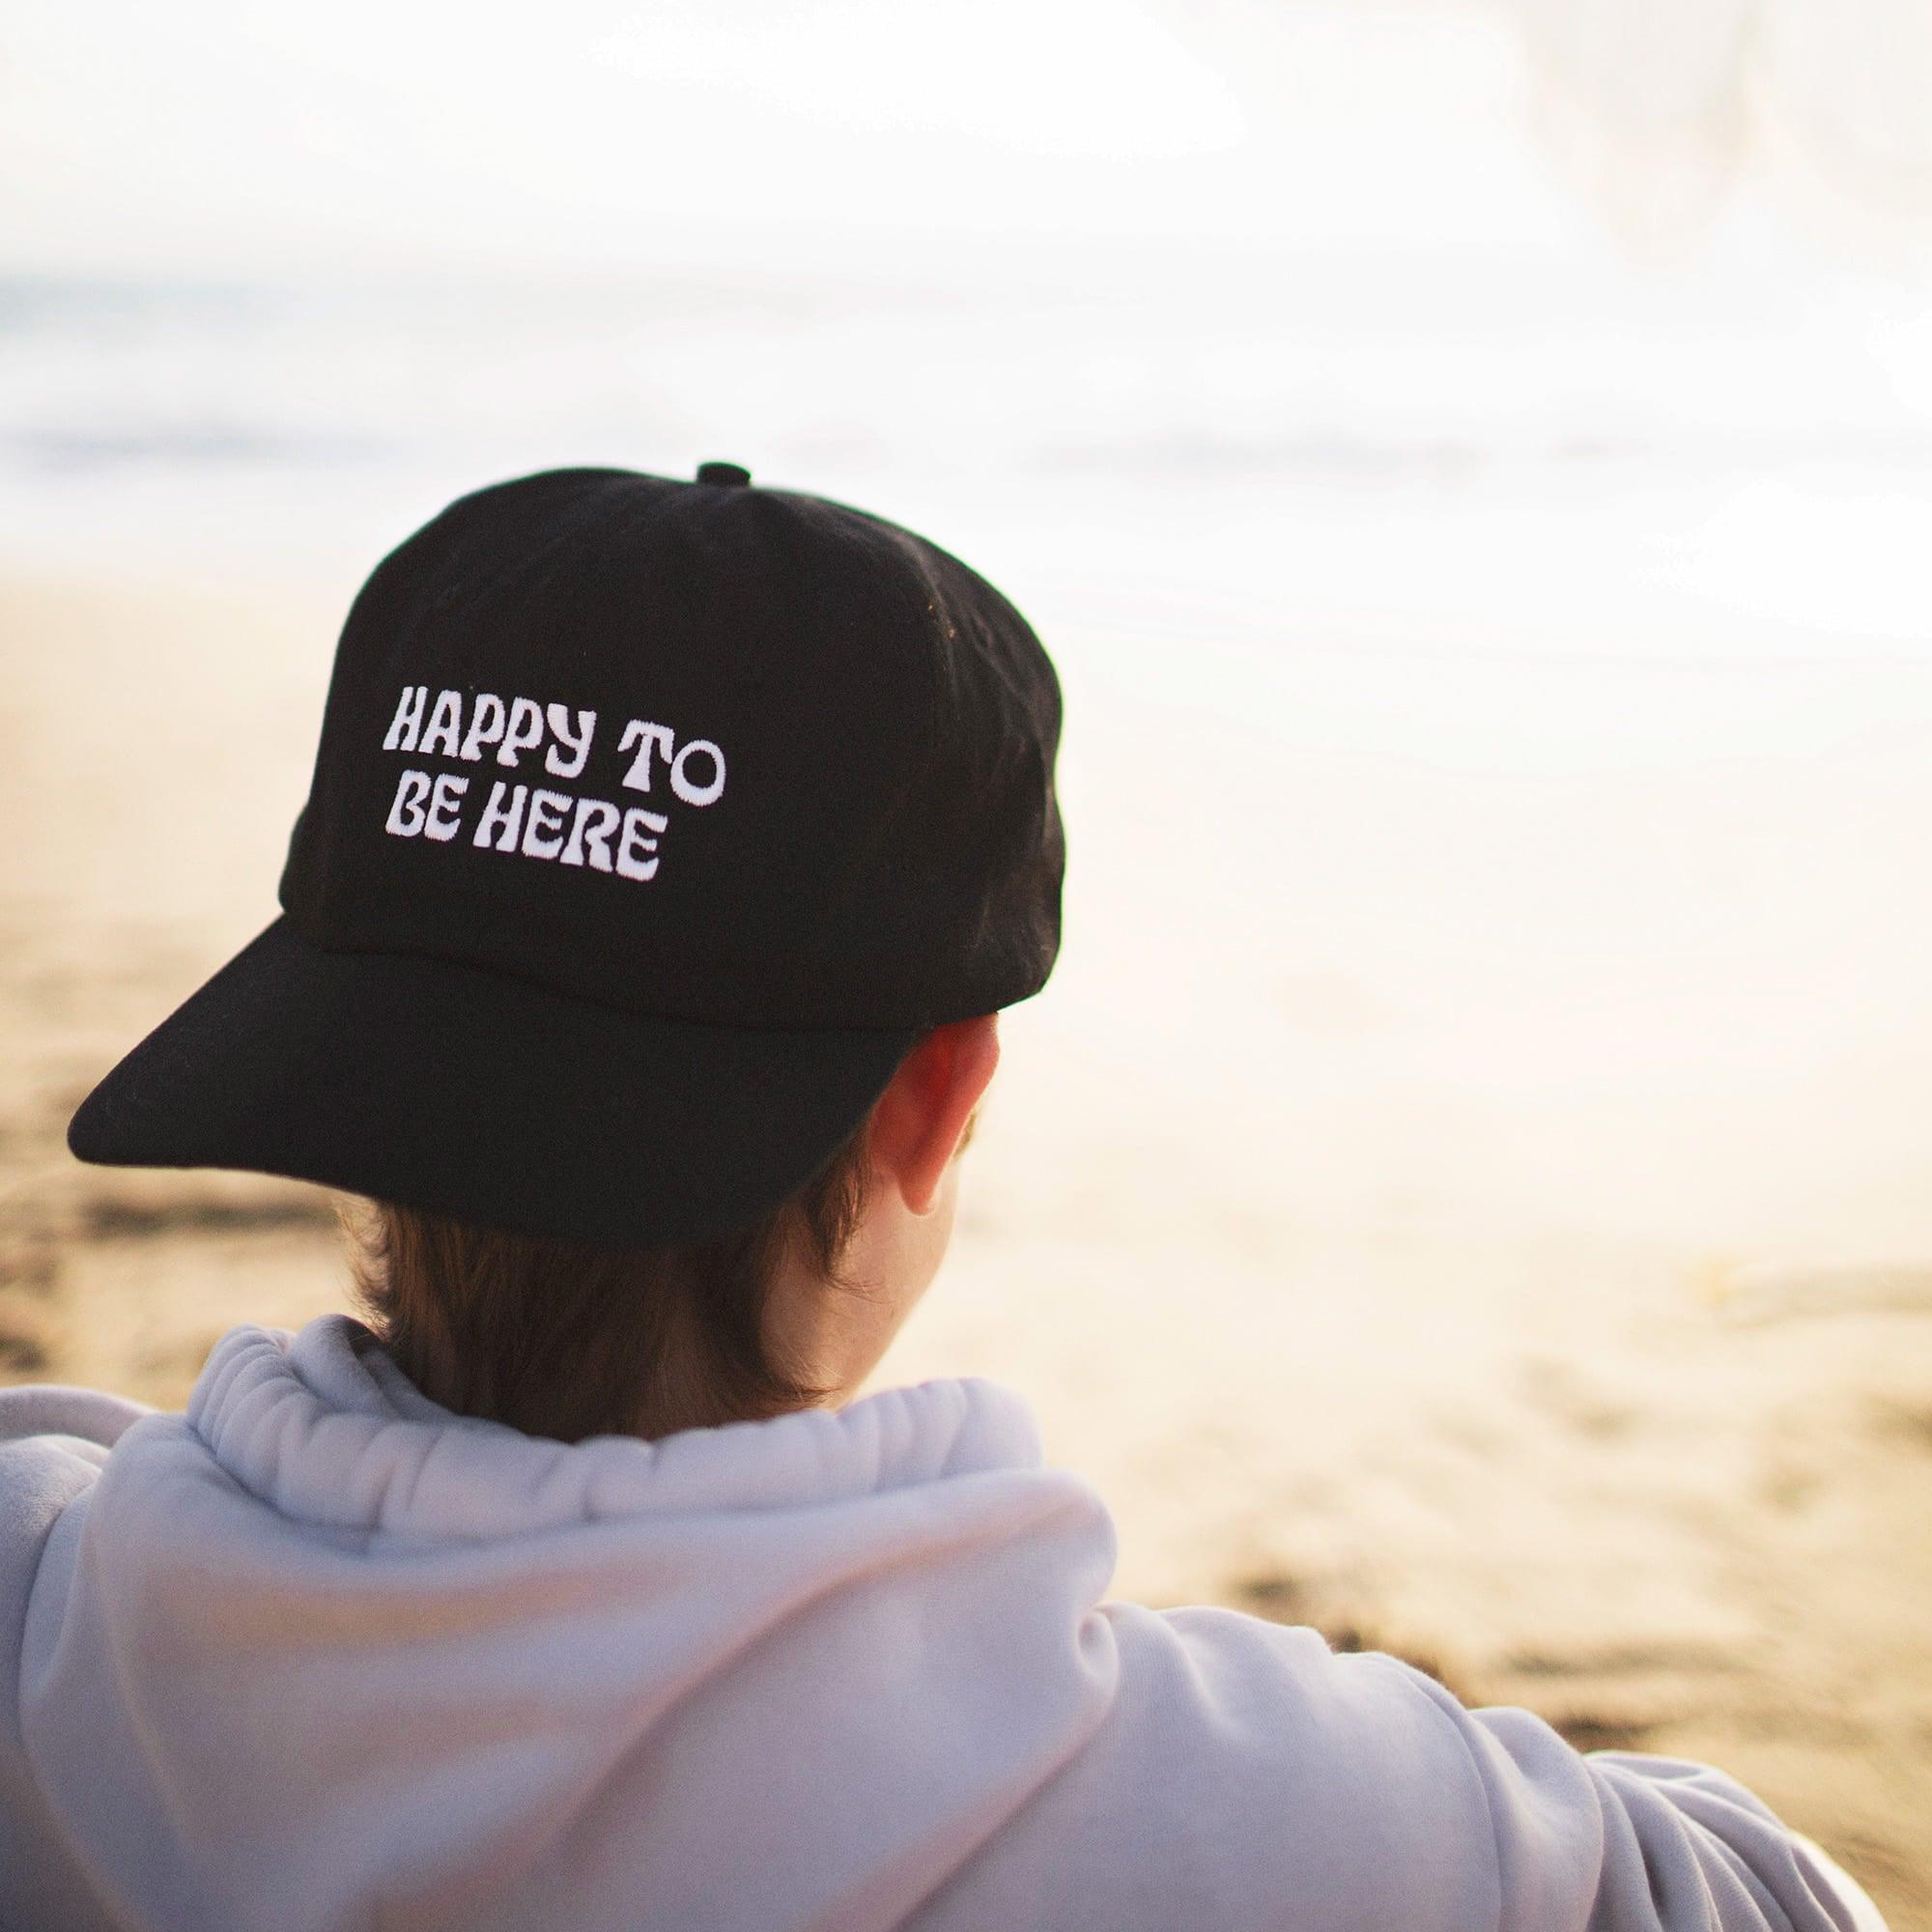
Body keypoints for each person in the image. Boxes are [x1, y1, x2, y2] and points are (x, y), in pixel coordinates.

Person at [0, 464, 1885, 1931]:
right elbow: (1775, 1897)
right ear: (938, 1098)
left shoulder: (47, 1609)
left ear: (341, 1056)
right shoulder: (1269, 1817)